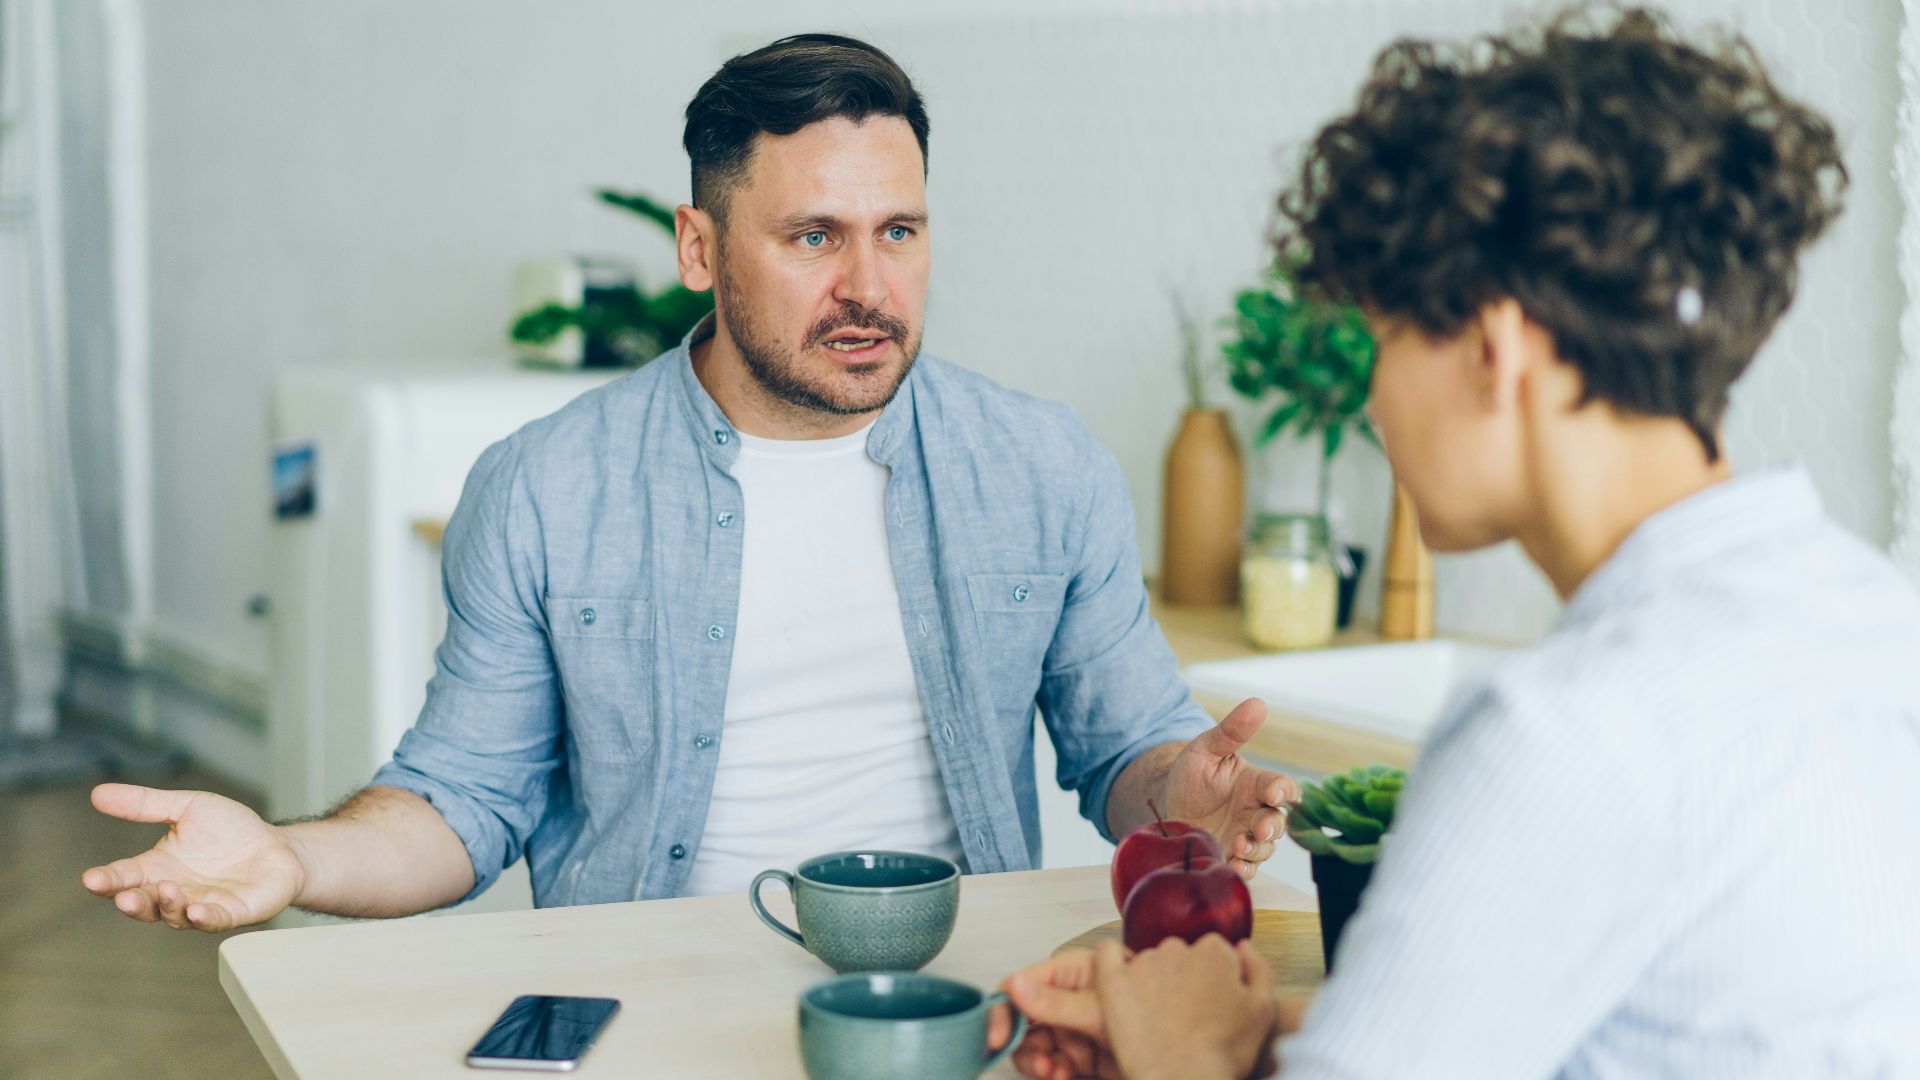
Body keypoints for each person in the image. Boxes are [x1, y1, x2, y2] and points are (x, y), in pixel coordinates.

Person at [81, 34, 1297, 932]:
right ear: (700, 247)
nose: (869, 288)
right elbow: (461, 802)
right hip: (641, 1001)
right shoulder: (547, 488)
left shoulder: (1042, 467)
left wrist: (1179, 788)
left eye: (901, 232)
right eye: (814, 237)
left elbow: (1124, 753)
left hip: (955, 998)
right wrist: (292, 859)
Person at [995, 8, 1920, 1078]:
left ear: (1494, 347)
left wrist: (1183, 1055)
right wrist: (1246, 1041)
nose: (1376, 401)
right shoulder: (1867, 614)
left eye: (1385, 339)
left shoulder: (1563, 734)